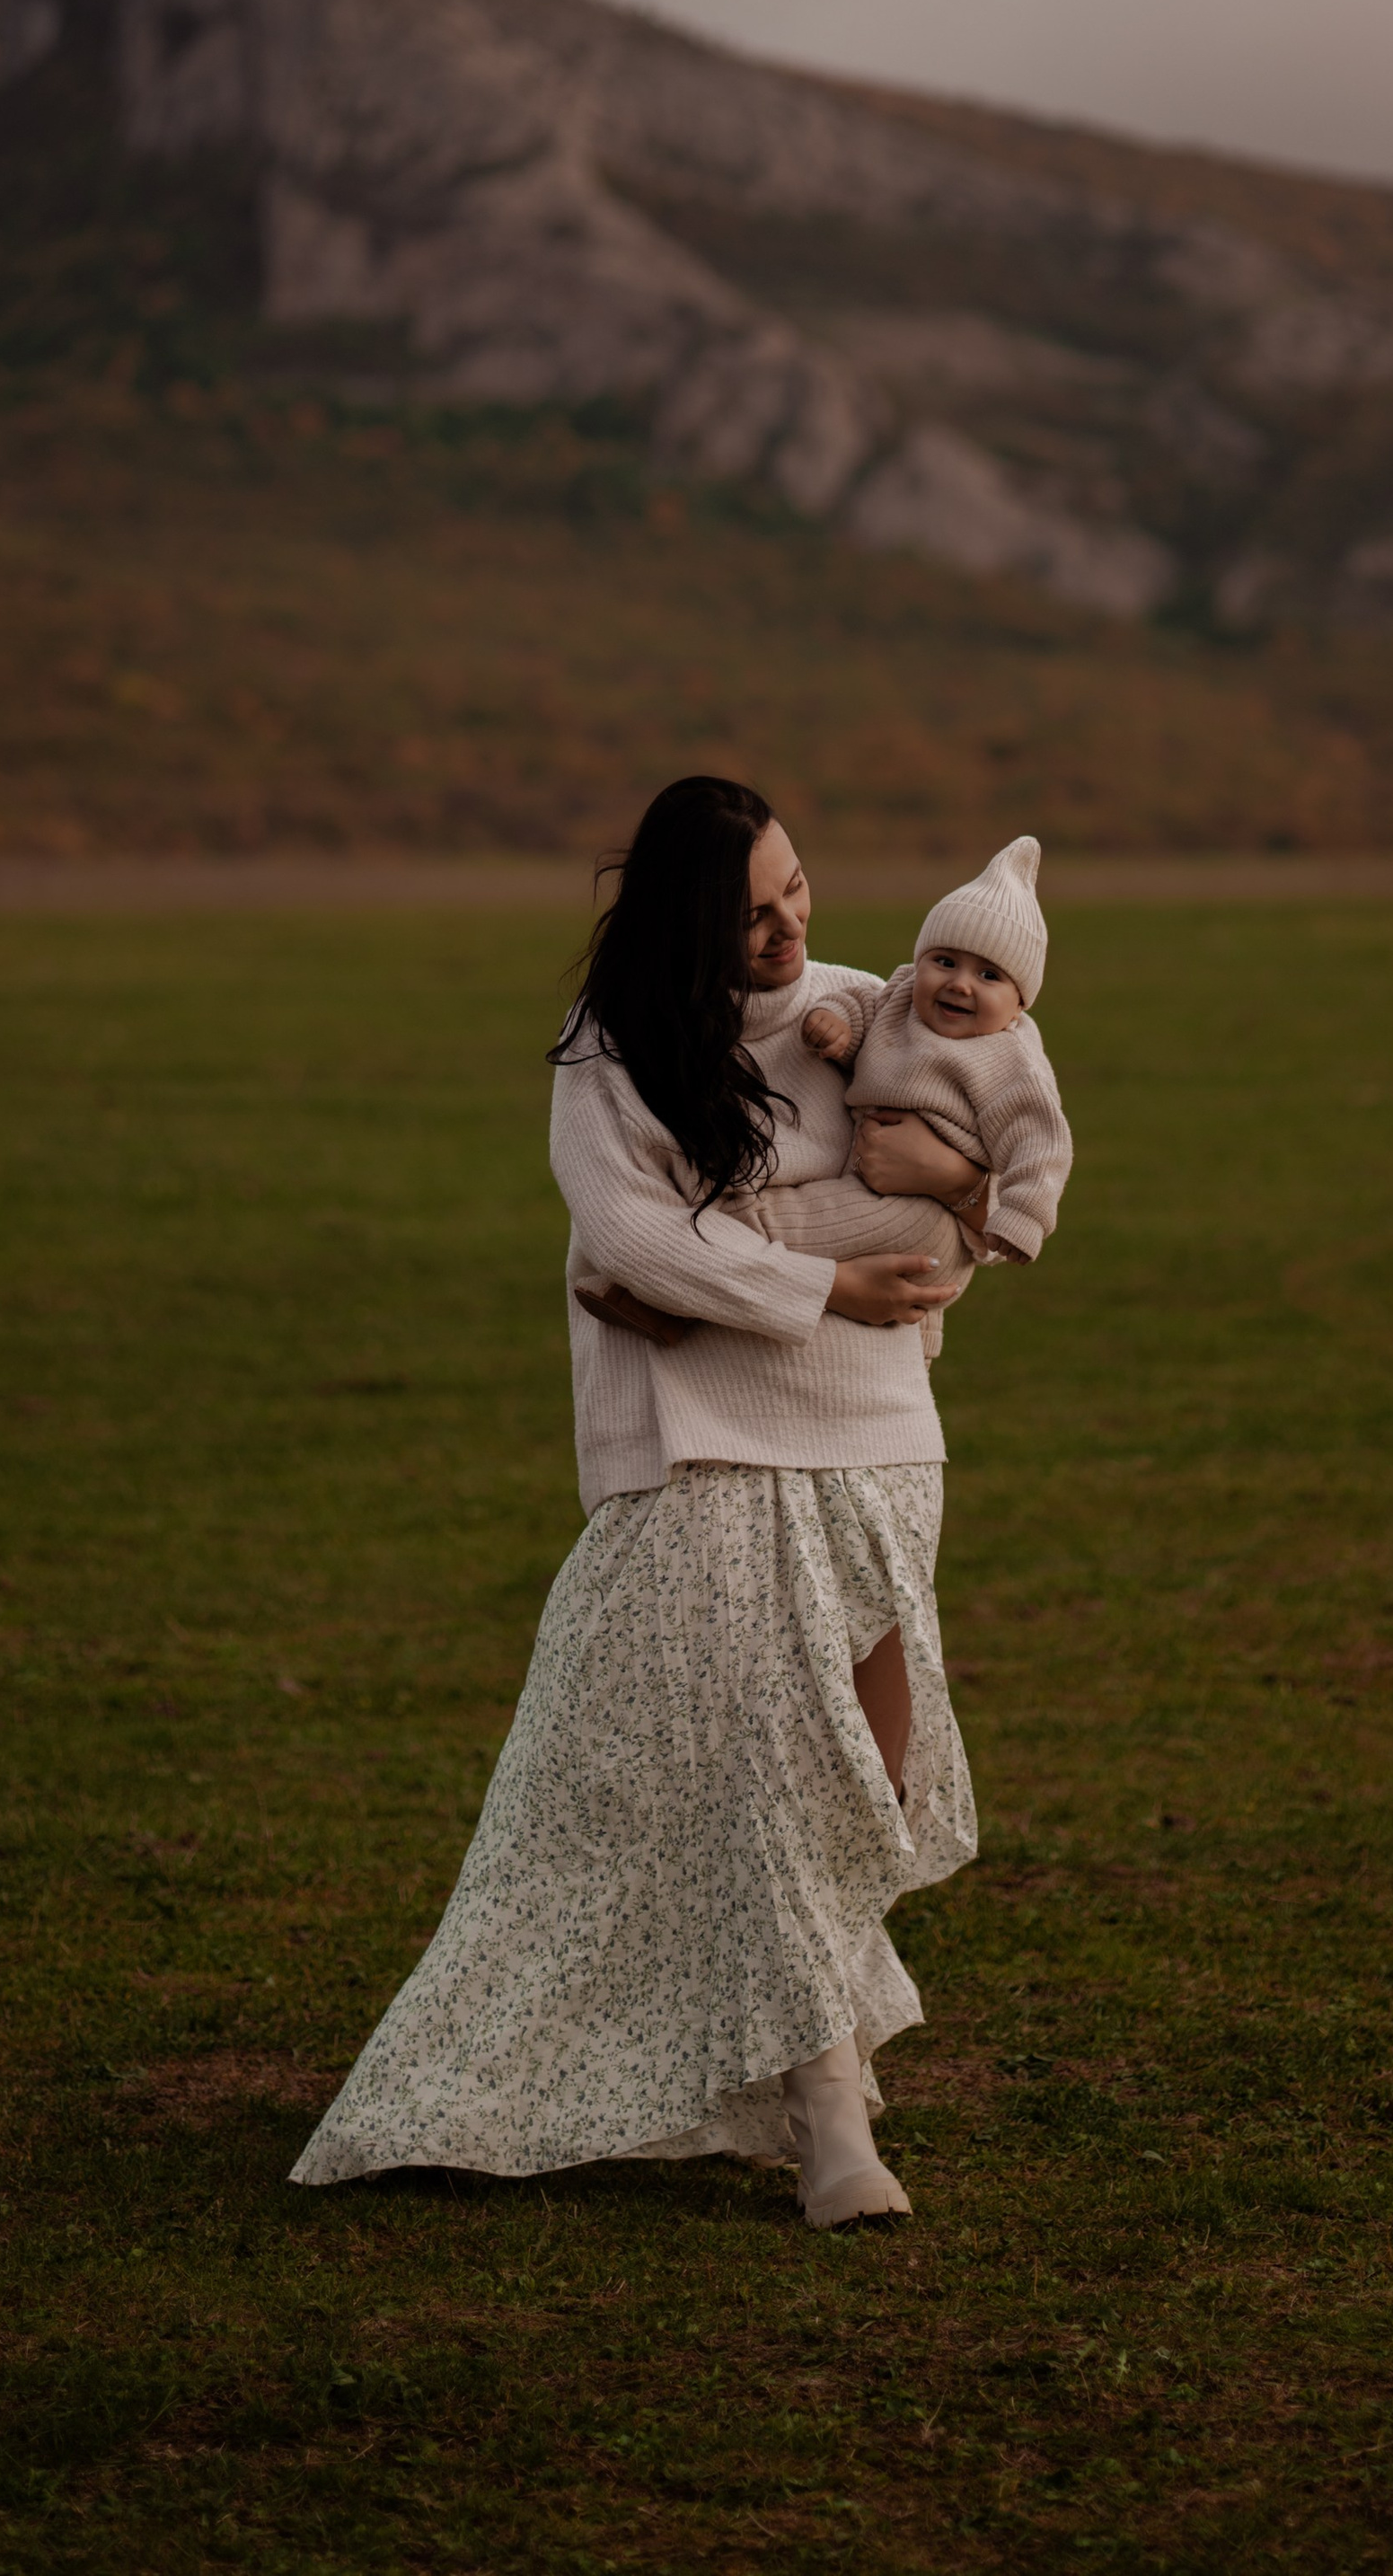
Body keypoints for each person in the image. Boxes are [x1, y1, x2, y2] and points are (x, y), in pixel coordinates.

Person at [290, 777, 990, 2229]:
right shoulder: (611, 1054)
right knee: (754, 1769)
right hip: (706, 1448)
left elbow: (973, 1199)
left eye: (797, 889)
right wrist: (815, 1282)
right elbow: (624, 1236)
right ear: (684, 922)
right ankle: (826, 2110)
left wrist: (839, 1231)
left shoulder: (865, 1011)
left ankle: (828, 2039)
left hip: (877, 1437)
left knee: (870, 1769)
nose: (791, 927)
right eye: (752, 911)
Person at [583, 834, 1072, 1350]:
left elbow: (1041, 1144)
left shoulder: (1009, 1061)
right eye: (945, 961)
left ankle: (687, 1270)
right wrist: (835, 1023)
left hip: (917, 1210)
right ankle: (680, 1303)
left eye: (989, 975)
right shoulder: (902, 996)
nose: (960, 984)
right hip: (863, 1187)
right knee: (821, 1215)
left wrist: (1020, 1215)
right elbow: (865, 1007)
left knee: (785, 1221)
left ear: (1019, 1006)